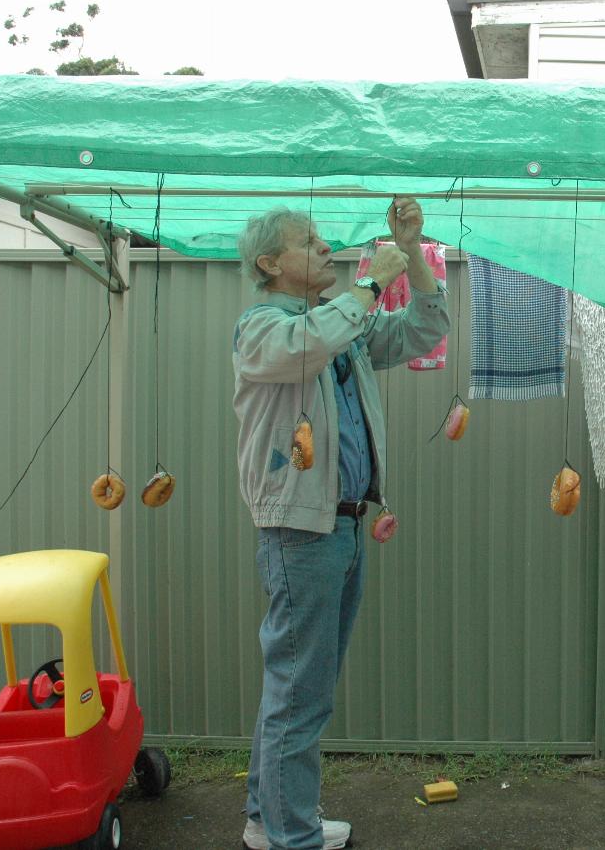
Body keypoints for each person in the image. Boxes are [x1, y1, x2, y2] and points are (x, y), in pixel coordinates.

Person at [232, 198, 449, 850]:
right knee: (301, 693)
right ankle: (291, 834)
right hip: (300, 532)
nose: (327, 248)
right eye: (311, 240)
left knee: (300, 685)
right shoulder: (261, 328)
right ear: (270, 263)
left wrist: (411, 254)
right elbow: (306, 343)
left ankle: (265, 817)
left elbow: (422, 331)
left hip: (344, 525)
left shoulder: (342, 325)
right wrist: (370, 283)